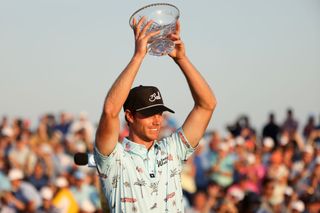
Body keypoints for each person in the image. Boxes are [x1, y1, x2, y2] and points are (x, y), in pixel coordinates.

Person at [93, 17, 217, 213]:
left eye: (159, 113)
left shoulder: (172, 150)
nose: (157, 119)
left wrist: (181, 59)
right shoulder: (114, 157)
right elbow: (110, 111)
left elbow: (207, 105)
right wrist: (138, 56)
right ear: (130, 116)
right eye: (149, 114)